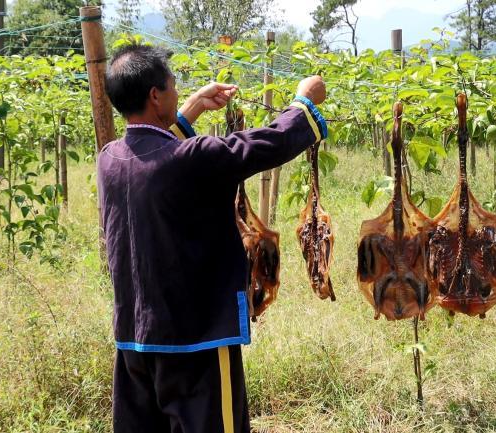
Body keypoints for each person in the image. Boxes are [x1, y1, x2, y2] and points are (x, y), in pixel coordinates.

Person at [98, 43, 327, 433]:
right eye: (172, 86)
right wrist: (304, 103)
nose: (176, 92)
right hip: (195, 344)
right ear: (155, 96)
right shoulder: (193, 158)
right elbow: (266, 143)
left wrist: (194, 106)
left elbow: (153, 148)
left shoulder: (110, 159)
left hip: (134, 344)